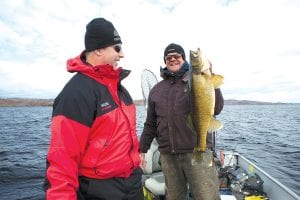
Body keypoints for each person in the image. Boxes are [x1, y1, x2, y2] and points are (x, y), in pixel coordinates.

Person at [43, 18, 143, 200]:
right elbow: (62, 159)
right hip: (99, 190)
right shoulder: (76, 93)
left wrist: (136, 158)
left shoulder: (121, 90)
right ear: (98, 49)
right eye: (117, 48)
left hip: (133, 184)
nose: (122, 55)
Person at [139, 43, 224, 200]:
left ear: (184, 59)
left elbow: (216, 109)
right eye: (168, 57)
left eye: (176, 56)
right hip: (168, 156)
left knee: (207, 197)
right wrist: (141, 150)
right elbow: (150, 123)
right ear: (165, 61)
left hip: (196, 151)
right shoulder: (156, 90)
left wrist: (211, 77)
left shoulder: (196, 80)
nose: (172, 59)